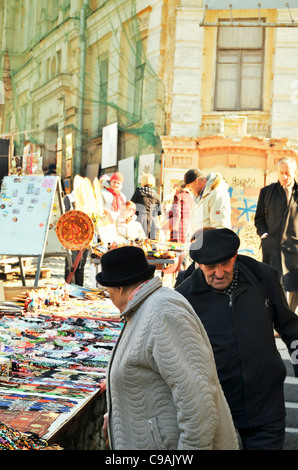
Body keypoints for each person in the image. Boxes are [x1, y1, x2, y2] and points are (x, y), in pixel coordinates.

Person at [96, 245, 239, 451]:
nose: (108, 296)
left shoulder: (162, 312)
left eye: (107, 290)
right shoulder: (143, 309)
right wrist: (120, 415)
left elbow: (198, 401)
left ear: (118, 288)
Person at [176, 227, 298, 450]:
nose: (220, 273)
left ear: (235, 257)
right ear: (199, 265)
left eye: (226, 264)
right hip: (217, 406)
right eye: (211, 267)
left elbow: (290, 327)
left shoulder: (263, 278)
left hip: (266, 405)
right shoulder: (184, 297)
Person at [255, 157, 298, 312]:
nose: (284, 177)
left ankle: (291, 319)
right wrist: (263, 234)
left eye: (287, 173)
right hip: (272, 246)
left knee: (295, 287)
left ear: (294, 172)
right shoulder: (267, 192)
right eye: (281, 172)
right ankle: (276, 320)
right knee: (273, 284)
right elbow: (259, 218)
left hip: (295, 248)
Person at [184, 169, 231, 242]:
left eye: (189, 186)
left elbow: (219, 227)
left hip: (210, 249)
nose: (189, 190)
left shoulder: (217, 194)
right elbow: (192, 228)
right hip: (200, 249)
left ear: (196, 181)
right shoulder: (197, 199)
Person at [64, 191, 88, 286]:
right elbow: (65, 215)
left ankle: (79, 287)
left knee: (81, 264)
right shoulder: (69, 198)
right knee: (71, 264)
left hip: (85, 235)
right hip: (72, 236)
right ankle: (68, 287)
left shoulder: (88, 199)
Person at [131, 173, 161, 239]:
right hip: (153, 222)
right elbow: (159, 212)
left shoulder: (138, 193)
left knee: (139, 242)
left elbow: (131, 207)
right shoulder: (156, 195)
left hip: (140, 220)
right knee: (152, 245)